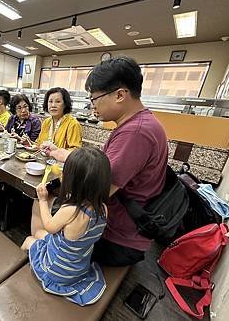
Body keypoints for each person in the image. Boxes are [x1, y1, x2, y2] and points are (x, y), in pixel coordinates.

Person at [37, 57, 168, 266]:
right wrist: (62, 154)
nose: (92, 106)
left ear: (119, 95)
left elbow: (96, 190)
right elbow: (104, 165)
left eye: (94, 99)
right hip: (117, 227)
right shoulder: (140, 123)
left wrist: (57, 183)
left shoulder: (136, 132)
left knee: (40, 227)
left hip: (117, 239)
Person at [21, 147, 111, 306]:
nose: (62, 175)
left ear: (74, 181)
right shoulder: (103, 208)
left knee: (29, 239)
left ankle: (22, 269)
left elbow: (49, 226)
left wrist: (43, 199)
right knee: (40, 233)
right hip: (79, 267)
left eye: (66, 172)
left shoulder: (70, 211)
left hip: (57, 272)